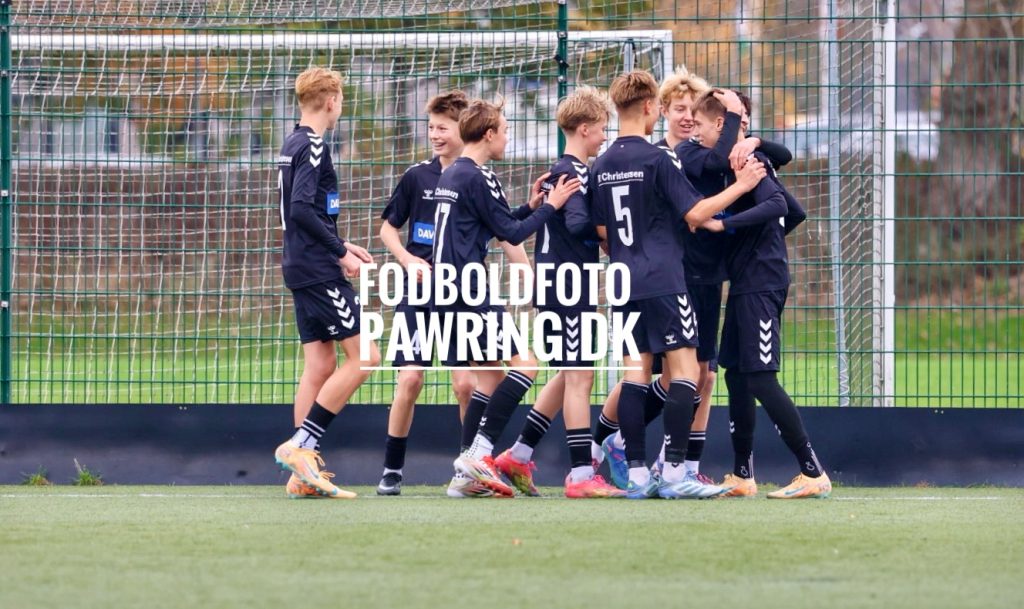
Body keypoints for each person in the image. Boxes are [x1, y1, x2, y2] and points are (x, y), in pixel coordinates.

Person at [590, 70, 764, 499]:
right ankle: (673, 474)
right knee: (687, 373)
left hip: (623, 281)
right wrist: (741, 186)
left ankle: (635, 475)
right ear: (651, 107)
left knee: (635, 375)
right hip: (665, 280)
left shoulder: (602, 165)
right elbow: (695, 213)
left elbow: (601, 231)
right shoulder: (658, 158)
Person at [432, 98, 580, 497]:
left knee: (491, 378)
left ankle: (465, 474)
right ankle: (479, 455)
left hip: (446, 290)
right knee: (526, 365)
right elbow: (512, 235)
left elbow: (494, 224)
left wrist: (530, 206)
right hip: (466, 290)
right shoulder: (479, 177)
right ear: (489, 134)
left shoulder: (455, 173)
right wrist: (552, 206)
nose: (507, 137)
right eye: (505, 130)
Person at [690, 90, 831, 499]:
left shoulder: (746, 160)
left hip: (761, 282)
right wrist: (752, 240)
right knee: (735, 374)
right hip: (746, 280)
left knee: (760, 377)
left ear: (720, 124)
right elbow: (796, 211)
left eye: (699, 124)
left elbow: (776, 205)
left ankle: (813, 472)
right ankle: (742, 475)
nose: (695, 132)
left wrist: (727, 227)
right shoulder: (736, 158)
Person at [490, 86, 624, 499]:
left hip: (557, 282)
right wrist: (614, 236)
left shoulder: (563, 170)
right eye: (601, 129)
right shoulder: (573, 173)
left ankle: (518, 454)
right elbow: (579, 224)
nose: (604, 137)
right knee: (580, 375)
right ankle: (581, 475)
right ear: (584, 129)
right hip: (567, 284)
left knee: (569, 372)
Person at [272, 67, 381, 499]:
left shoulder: (293, 141)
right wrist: (338, 252)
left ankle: (301, 475)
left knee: (319, 366)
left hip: (300, 263)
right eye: (342, 100)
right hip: (317, 269)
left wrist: (341, 244)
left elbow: (305, 211)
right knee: (366, 356)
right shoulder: (314, 145)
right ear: (332, 100)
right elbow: (301, 208)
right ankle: (301, 446)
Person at [375, 91, 482, 496]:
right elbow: (387, 228)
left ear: (464, 130)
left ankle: (469, 469)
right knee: (410, 379)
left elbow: (504, 231)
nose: (435, 135)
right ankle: (391, 469)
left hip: (461, 294)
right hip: (418, 294)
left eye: (443, 128)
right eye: (431, 127)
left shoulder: (476, 178)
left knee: (466, 385)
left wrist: (527, 270)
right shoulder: (417, 177)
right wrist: (407, 260)